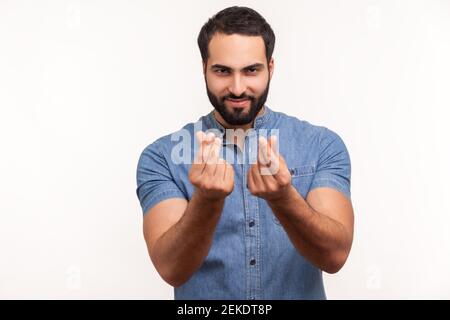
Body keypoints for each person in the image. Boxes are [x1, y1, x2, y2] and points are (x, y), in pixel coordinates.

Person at [136, 6, 354, 300]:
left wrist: (283, 198)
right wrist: (206, 200)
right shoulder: (161, 156)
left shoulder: (321, 145)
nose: (238, 88)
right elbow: (171, 268)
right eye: (223, 71)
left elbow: (335, 256)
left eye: (251, 70)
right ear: (204, 69)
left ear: (271, 67)